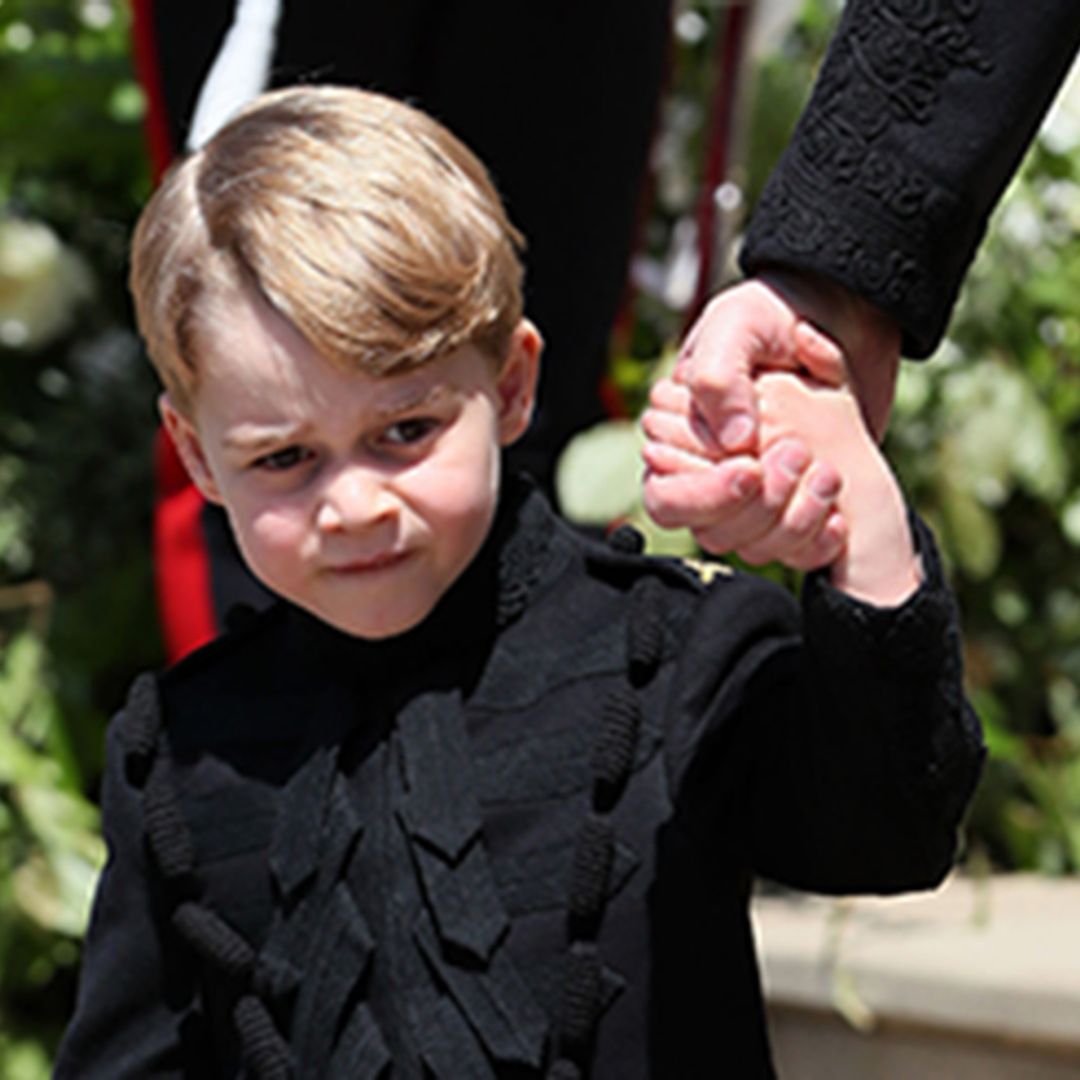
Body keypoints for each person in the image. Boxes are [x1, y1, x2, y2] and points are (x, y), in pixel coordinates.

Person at [56, 84, 983, 1078]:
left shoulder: (672, 657)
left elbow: (887, 831)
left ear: (510, 386)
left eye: (404, 432)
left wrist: (865, 530)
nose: (355, 505)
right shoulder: (188, 752)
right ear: (198, 458)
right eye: (285, 459)